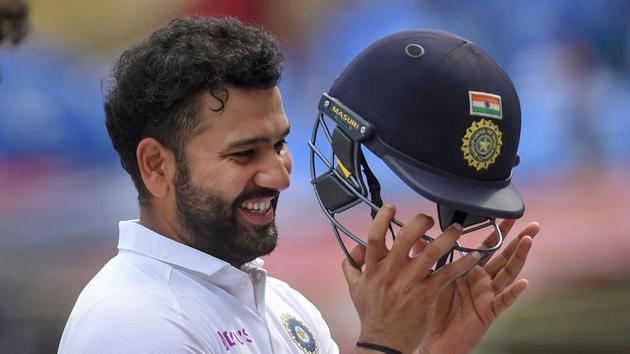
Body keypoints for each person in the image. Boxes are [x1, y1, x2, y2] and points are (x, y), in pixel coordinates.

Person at [59, 16, 540, 354]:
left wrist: (433, 348)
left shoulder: (288, 308)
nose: (280, 175)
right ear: (156, 166)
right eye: (245, 153)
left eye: (279, 145)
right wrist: (384, 341)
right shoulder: (130, 321)